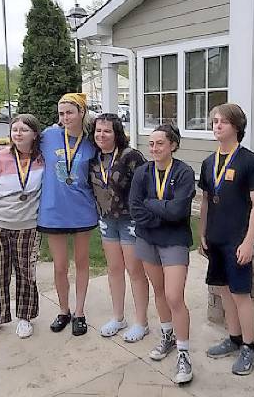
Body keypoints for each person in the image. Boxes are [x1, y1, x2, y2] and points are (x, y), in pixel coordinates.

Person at [198, 103, 254, 375]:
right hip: (215, 239)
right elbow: (205, 201)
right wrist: (202, 232)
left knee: (241, 295)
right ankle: (234, 337)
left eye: (223, 122)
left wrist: (249, 241)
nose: (217, 126)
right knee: (225, 292)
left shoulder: (250, 161)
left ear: (236, 127)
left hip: (237, 241)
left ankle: (250, 348)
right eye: (214, 121)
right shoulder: (208, 163)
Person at [129, 124, 195, 384]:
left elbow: (179, 211)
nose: (154, 148)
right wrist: (160, 214)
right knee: (158, 292)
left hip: (175, 241)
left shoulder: (184, 172)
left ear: (173, 145)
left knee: (174, 296)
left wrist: (152, 204)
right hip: (147, 240)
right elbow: (134, 207)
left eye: (160, 143)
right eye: (151, 144)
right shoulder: (142, 172)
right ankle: (167, 335)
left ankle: (184, 353)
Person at [0, 114, 44, 340]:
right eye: (15, 130)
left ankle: (25, 317)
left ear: (34, 134)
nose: (18, 133)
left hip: (29, 228)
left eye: (24, 129)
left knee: (26, 274)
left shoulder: (43, 160)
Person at [38, 93, 98, 337]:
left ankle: (80, 312)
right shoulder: (49, 136)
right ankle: (64, 310)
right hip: (53, 211)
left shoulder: (92, 141)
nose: (65, 118)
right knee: (60, 265)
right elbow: (21, 146)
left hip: (82, 210)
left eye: (70, 112)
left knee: (82, 263)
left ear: (81, 112)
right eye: (61, 113)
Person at [88, 113, 149, 342]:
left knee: (135, 271)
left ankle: (141, 323)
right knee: (114, 269)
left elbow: (147, 187)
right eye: (98, 131)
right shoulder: (93, 158)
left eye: (107, 131)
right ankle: (118, 317)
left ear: (117, 133)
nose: (101, 135)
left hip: (130, 221)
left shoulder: (131, 156)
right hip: (106, 220)